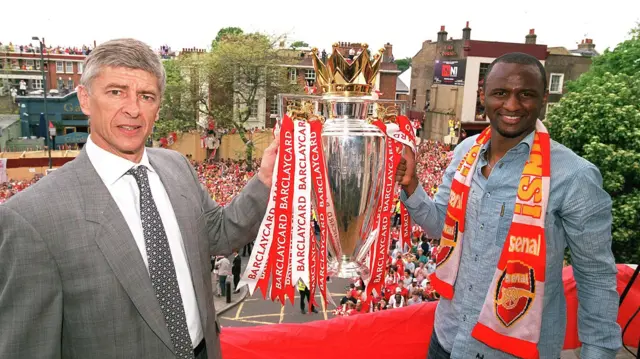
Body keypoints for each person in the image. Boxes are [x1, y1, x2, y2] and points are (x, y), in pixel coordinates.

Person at [0, 38, 278, 359]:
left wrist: (265, 179)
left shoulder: (177, 166)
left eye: (146, 96)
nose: (133, 108)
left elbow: (221, 233)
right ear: (85, 99)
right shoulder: (31, 218)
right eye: (116, 92)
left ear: (157, 108)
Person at [396, 52, 621, 358]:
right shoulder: (465, 152)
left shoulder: (575, 176)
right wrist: (411, 185)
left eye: (525, 94)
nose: (512, 105)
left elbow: (595, 277)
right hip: (447, 338)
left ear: (543, 99)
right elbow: (439, 224)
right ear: (483, 96)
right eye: (501, 93)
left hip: (513, 352)